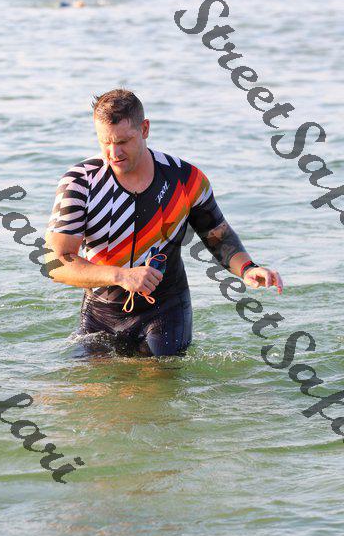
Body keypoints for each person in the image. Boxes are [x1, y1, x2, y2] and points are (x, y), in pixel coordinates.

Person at [45, 89, 283, 357]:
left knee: (157, 382)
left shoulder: (184, 178)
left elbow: (217, 235)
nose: (114, 153)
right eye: (105, 142)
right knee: (93, 384)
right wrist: (121, 276)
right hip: (101, 314)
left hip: (166, 311)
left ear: (145, 129)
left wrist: (247, 268)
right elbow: (56, 263)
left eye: (123, 141)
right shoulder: (80, 183)